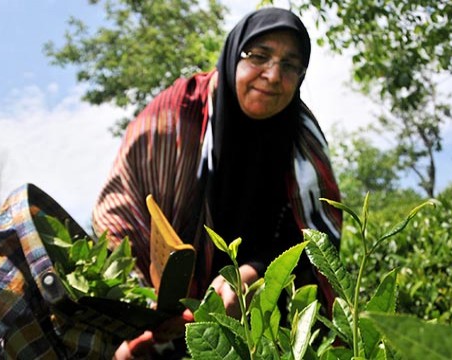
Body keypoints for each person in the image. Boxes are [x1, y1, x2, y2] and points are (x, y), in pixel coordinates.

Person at [92, 6, 342, 359]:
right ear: (233, 55)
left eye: (289, 65)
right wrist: (141, 298)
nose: (272, 75)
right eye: (259, 56)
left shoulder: (300, 138)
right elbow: (118, 210)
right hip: (160, 305)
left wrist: (252, 274)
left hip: (258, 308)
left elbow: (313, 241)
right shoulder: (178, 112)